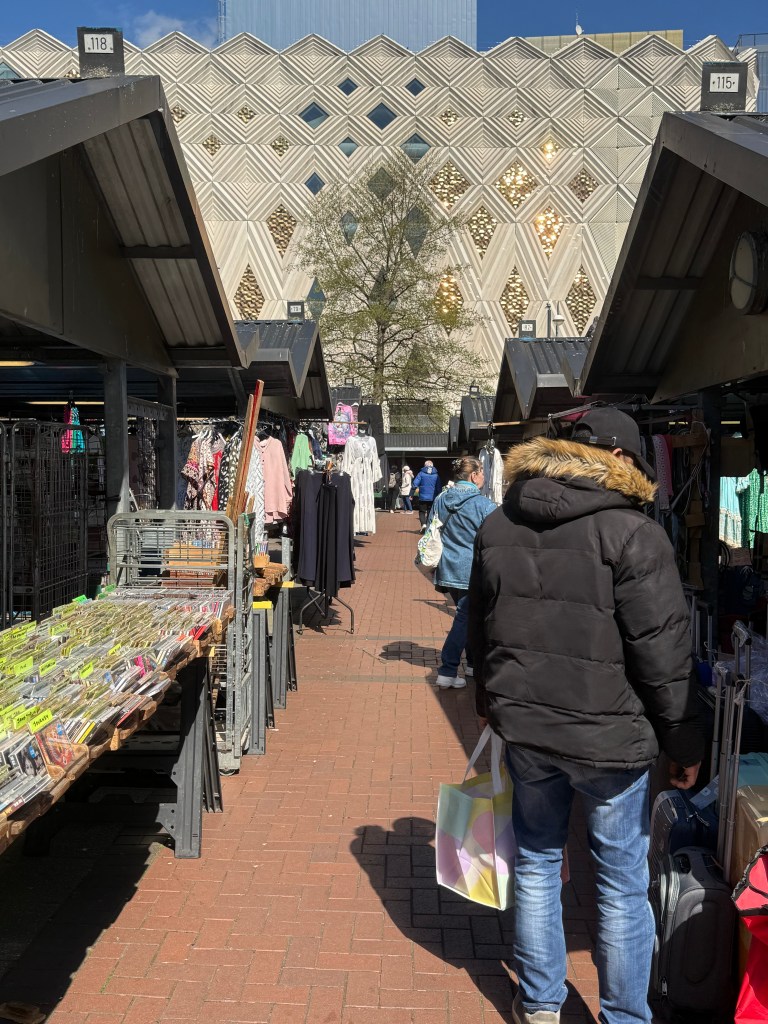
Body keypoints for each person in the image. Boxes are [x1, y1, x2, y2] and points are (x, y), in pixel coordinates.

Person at [467, 407, 704, 1024]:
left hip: (527, 729)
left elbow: (480, 627)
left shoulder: (498, 524)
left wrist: (489, 704)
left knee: (539, 859)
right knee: (620, 882)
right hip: (609, 737)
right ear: (619, 460)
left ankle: (541, 1004)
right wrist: (683, 741)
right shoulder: (633, 534)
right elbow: (665, 652)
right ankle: (624, 1016)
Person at [429, 457, 496, 689]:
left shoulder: (441, 499)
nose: (484, 477)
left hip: (447, 567)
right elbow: (494, 539)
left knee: (467, 616)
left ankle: (473, 664)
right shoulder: (484, 505)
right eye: (482, 473)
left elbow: (431, 529)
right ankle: (447, 670)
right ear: (474, 476)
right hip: (472, 570)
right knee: (465, 618)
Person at [412, 460, 442, 531]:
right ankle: (428, 527)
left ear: (425, 466)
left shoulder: (421, 473)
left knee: (422, 511)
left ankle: (423, 524)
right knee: (430, 512)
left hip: (423, 497)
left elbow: (415, 484)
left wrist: (413, 490)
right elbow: (439, 487)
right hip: (432, 497)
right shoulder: (436, 475)